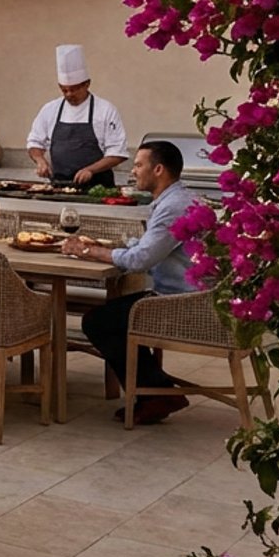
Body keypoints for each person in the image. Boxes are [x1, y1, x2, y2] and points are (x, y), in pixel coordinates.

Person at [62, 140, 199, 425]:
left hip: (185, 301)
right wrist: (108, 248)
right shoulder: (175, 199)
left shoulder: (174, 207)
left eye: (138, 165)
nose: (133, 171)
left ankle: (156, 394)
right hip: (180, 293)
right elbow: (150, 247)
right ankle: (156, 391)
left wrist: (87, 251)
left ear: (158, 169)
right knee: (110, 316)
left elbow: (140, 260)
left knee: (100, 321)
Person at [27, 43, 128, 186]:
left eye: (73, 89)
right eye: (64, 90)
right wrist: (40, 160)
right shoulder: (50, 109)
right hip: (59, 185)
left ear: (87, 84)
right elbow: (34, 142)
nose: (69, 94)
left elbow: (118, 152)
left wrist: (91, 170)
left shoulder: (105, 110)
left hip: (98, 186)